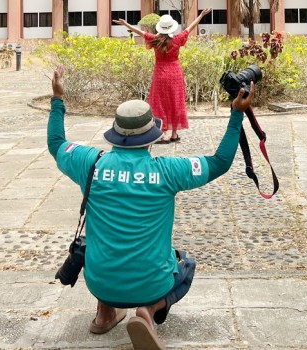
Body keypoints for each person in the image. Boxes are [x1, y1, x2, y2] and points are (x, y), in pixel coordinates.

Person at [47, 65, 253, 350]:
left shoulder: (90, 163)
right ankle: (150, 310)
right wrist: (236, 113)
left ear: (116, 133)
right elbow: (220, 162)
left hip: (100, 282)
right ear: (151, 137)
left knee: (103, 243)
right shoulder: (168, 170)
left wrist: (58, 99)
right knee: (186, 264)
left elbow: (56, 142)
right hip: (151, 284)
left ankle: (104, 314)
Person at [114, 9, 212, 143]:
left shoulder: (155, 40)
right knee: (175, 101)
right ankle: (174, 134)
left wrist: (126, 24)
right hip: (175, 73)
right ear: (172, 27)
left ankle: (163, 133)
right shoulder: (177, 39)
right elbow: (190, 27)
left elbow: (140, 32)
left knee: (160, 102)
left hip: (160, 73)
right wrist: (201, 15)